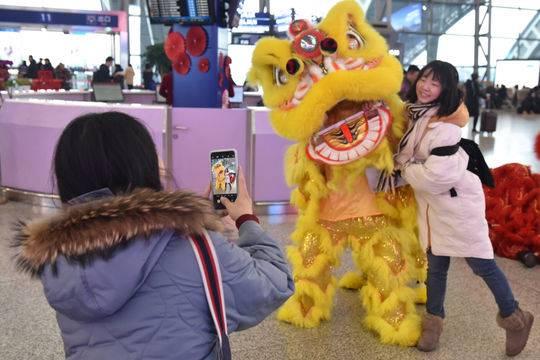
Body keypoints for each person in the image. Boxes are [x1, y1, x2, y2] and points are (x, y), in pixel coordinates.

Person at [13, 111, 294, 359]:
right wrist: (245, 217)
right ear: (139, 166)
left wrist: (191, 222)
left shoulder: (59, 257)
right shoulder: (196, 246)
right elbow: (274, 283)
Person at [394, 60, 534, 356]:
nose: (426, 86)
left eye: (435, 83)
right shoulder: (419, 115)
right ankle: (433, 322)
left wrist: (405, 169)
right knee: (436, 266)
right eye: (424, 79)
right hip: (434, 209)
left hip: (457, 206)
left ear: (445, 90)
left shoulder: (444, 127)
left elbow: (435, 177)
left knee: (481, 263)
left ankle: (515, 318)